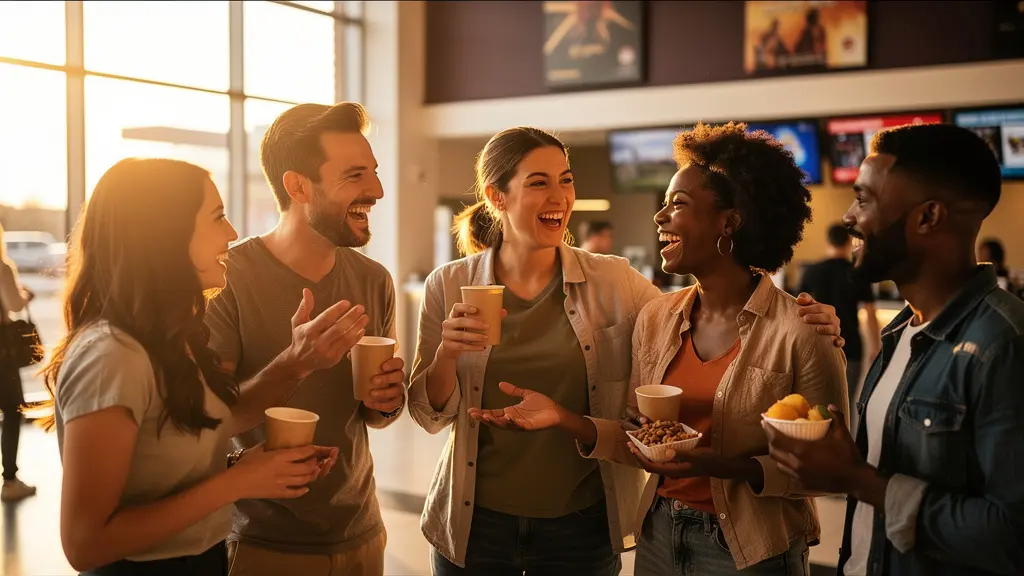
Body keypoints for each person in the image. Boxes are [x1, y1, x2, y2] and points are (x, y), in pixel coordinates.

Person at [408, 125, 844, 575]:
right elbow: (429, 413)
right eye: (539, 181)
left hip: (600, 530)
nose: (560, 195)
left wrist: (810, 320)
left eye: (567, 179)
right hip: (492, 521)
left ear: (730, 220)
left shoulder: (617, 283)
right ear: (496, 197)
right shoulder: (451, 284)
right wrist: (450, 355)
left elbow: (826, 462)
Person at [44, 158, 346, 575]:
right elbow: (85, 542)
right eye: (217, 218)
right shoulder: (110, 356)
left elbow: (203, 428)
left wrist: (296, 366)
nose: (233, 234)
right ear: (163, 234)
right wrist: (238, 483)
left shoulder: (166, 340)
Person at [764, 124, 1024, 576]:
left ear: (927, 217)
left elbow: (1013, 537)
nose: (848, 217)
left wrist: (856, 479)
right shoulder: (901, 333)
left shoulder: (1001, 344)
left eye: (863, 199)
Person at [205, 102, 406, 576]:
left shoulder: (374, 280)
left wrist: (387, 401)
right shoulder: (226, 280)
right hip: (261, 542)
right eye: (355, 175)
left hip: (362, 533)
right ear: (297, 186)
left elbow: (375, 417)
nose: (376, 190)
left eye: (374, 173)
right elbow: (212, 424)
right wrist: (296, 360)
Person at [799, 223, 881, 429]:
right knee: (844, 406)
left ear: (828, 241)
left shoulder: (812, 272)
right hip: (850, 345)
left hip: (817, 345)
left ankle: (817, 449)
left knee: (815, 406)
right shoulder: (856, 273)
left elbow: (797, 309)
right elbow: (871, 314)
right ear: (847, 243)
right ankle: (844, 454)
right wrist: (876, 347)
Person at [0, 221, 36, 503]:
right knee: (12, 410)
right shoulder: (3, 267)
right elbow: (13, 304)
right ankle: (10, 481)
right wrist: (26, 296)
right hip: (2, 351)